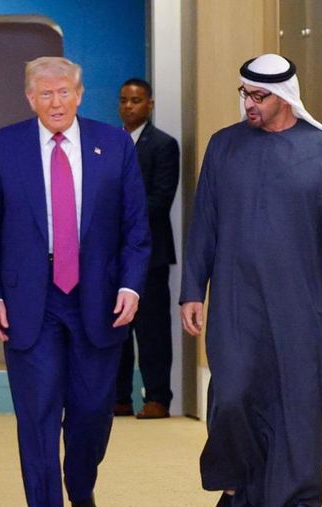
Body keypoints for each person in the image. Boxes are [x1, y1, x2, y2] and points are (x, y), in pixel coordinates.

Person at [180, 54, 322, 507]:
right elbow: (204, 223)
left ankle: (295, 498)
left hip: (301, 305)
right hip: (235, 300)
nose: (249, 104)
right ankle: (238, 483)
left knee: (300, 407)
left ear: (284, 96)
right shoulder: (223, 146)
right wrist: (192, 290)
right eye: (245, 93)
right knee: (232, 395)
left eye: (259, 96)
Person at [0, 56, 151, 507]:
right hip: (29, 299)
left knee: (92, 412)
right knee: (37, 416)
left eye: (65, 92)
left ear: (80, 94)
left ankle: (81, 483)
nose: (56, 102)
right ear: (31, 98)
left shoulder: (114, 145)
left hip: (99, 296)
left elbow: (136, 229)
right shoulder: (1, 147)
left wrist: (131, 286)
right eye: (46, 94)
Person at [114, 78, 180, 419]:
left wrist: (117, 216)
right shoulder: (107, 144)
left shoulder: (164, 145)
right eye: (124, 100)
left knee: (152, 329)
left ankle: (157, 398)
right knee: (115, 329)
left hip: (150, 254)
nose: (129, 106)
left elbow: (159, 201)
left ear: (150, 105)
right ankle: (119, 398)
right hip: (111, 256)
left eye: (136, 100)